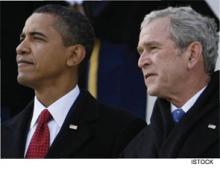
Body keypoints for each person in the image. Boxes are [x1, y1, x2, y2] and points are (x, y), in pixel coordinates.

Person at [1, 4, 146, 158]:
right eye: (22, 38)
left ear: (74, 55)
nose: (20, 48)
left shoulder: (121, 131)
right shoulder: (4, 134)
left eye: (37, 38)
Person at [122, 6, 219, 158]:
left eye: (153, 48)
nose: (141, 62)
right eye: (141, 52)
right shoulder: (136, 147)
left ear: (192, 55)